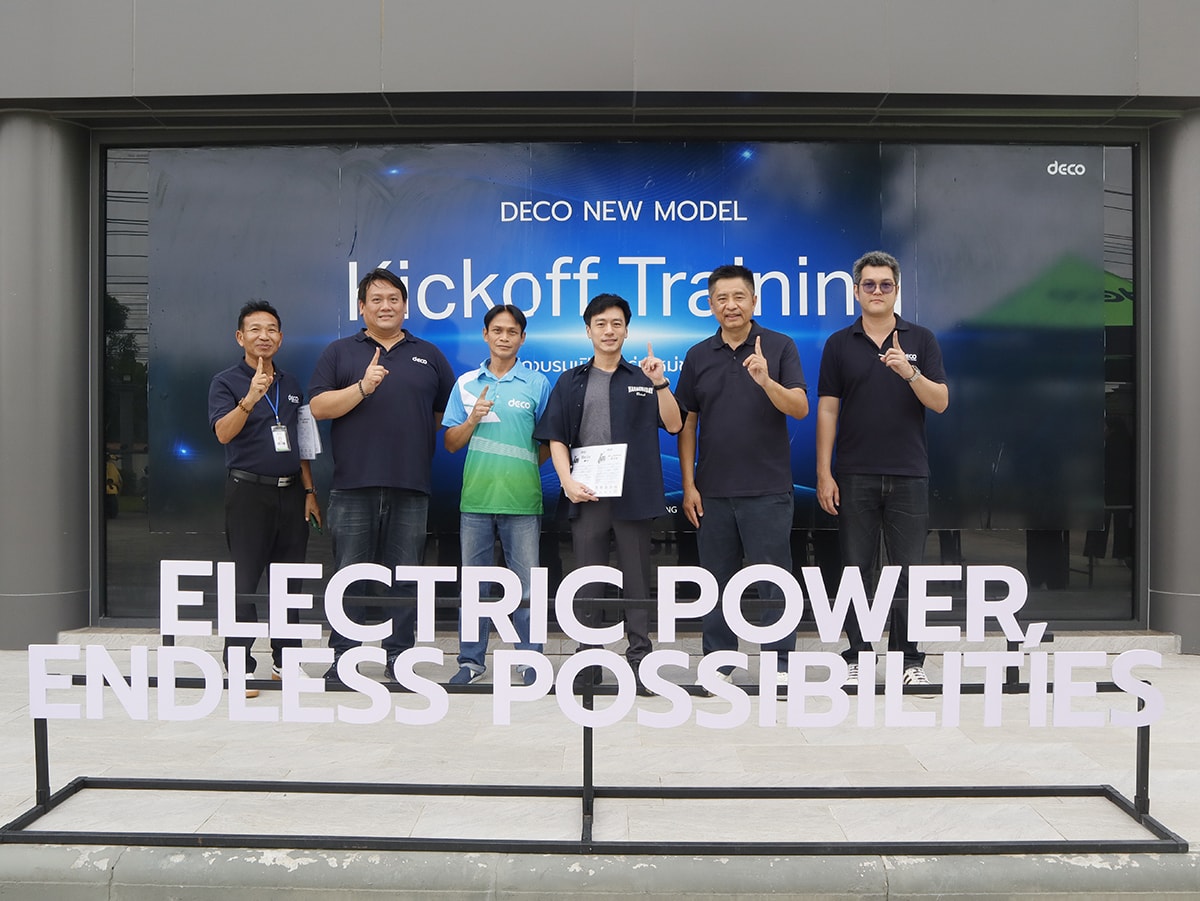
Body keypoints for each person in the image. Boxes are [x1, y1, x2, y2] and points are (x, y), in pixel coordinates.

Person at [308, 268, 454, 683]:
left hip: (411, 485)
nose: (385, 306)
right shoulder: (339, 352)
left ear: (405, 306)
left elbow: (445, 414)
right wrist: (362, 388)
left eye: (393, 299)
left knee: (404, 578)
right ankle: (344, 660)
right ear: (362, 307)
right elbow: (318, 408)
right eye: (376, 299)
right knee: (349, 577)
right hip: (353, 485)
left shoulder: (428, 354)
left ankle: (399, 660)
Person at [535, 293, 682, 695]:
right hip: (587, 493)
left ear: (626, 330)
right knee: (588, 579)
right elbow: (556, 437)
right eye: (600, 324)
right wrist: (566, 482)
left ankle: (640, 661)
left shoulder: (644, 377)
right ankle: (588, 661)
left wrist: (660, 383)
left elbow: (674, 425)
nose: (609, 331)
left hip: (634, 493)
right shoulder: (570, 380)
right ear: (588, 330)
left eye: (617, 323)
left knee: (636, 577)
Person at [815, 250, 949, 690]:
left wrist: (909, 372)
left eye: (885, 284)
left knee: (908, 571)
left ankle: (909, 658)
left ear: (897, 290)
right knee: (857, 570)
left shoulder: (921, 339)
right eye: (869, 284)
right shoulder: (839, 343)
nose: (877, 291)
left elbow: (940, 402)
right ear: (856, 291)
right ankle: (858, 655)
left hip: (909, 472)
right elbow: (828, 410)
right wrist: (824, 472)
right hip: (854, 473)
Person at [676, 264, 809, 687]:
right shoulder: (698, 355)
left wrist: (767, 381)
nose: (730, 305)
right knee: (716, 583)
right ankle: (718, 666)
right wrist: (689, 485)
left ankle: (780, 665)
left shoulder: (780, 346)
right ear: (710, 304)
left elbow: (800, 408)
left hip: (768, 490)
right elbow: (687, 424)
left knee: (774, 582)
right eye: (721, 298)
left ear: (754, 300)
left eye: (738, 297)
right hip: (712, 492)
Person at [208, 300, 321, 698]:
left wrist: (310, 491)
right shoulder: (226, 382)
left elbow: (301, 442)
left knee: (289, 583)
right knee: (244, 581)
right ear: (240, 337)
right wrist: (251, 398)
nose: (264, 336)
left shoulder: (291, 384)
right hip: (248, 493)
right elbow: (223, 433)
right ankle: (239, 666)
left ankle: (284, 663)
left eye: (271, 329)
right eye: (255, 329)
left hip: (292, 493)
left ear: (281, 338)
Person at [442, 304, 551, 686]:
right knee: (475, 587)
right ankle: (471, 662)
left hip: (523, 501)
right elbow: (451, 443)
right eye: (498, 330)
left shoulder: (537, 384)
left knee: (526, 587)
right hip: (475, 501)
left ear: (522, 338)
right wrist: (472, 418)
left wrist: (520, 468)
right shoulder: (466, 383)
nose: (504, 337)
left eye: (512, 332)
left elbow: (548, 443)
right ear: (485, 335)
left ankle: (530, 661)